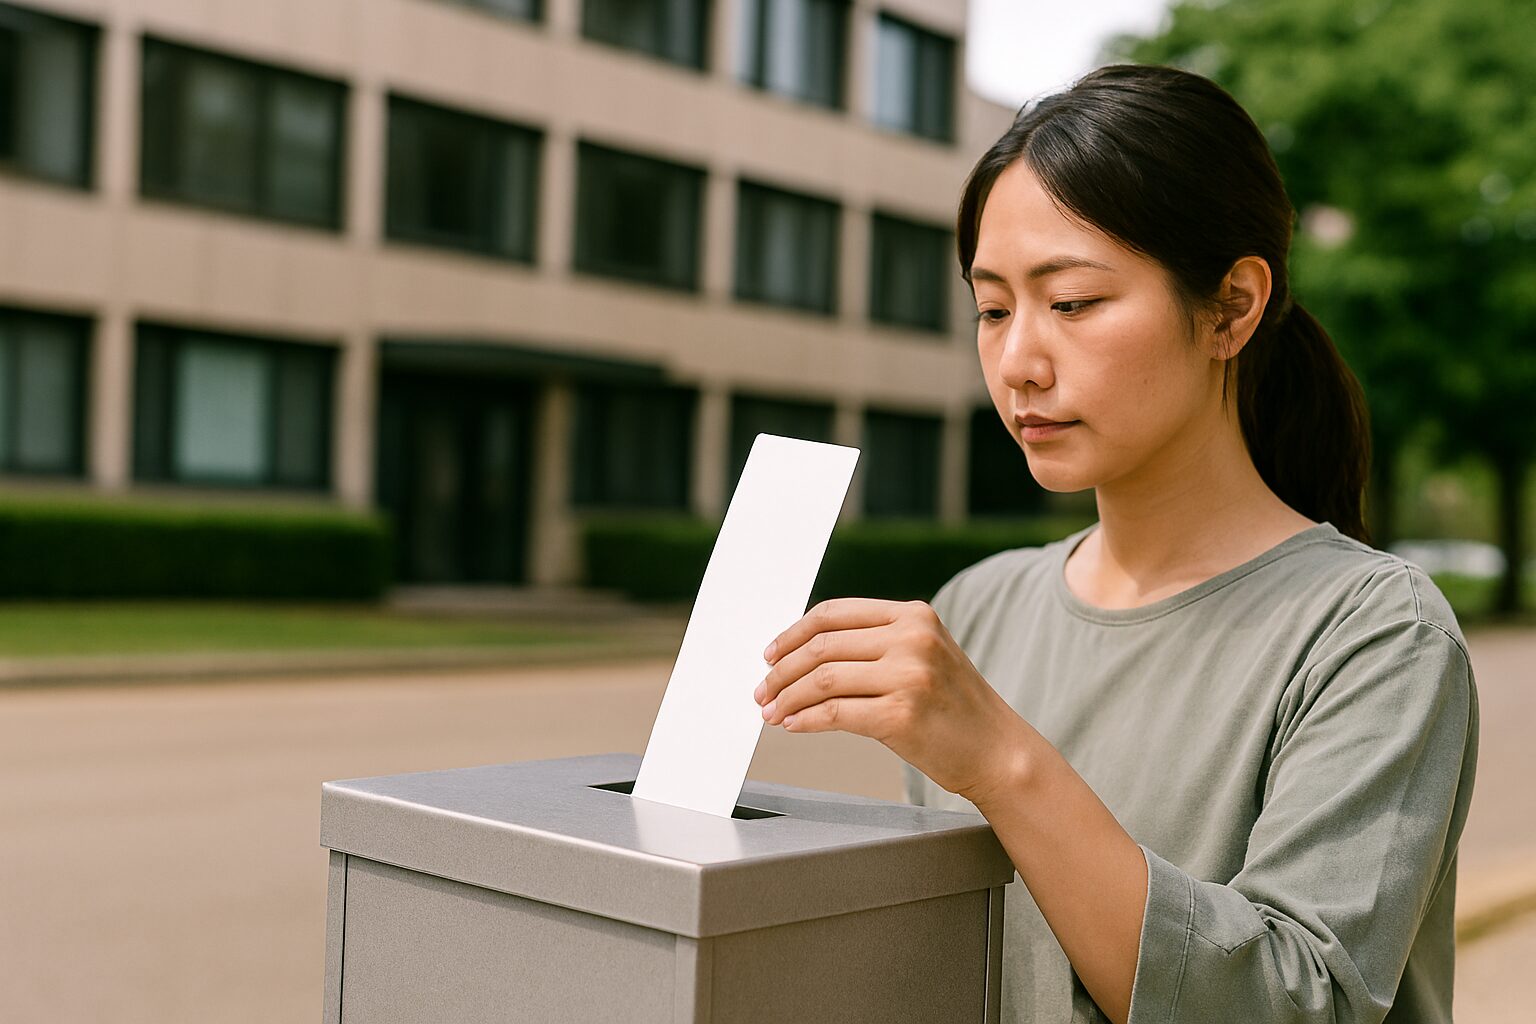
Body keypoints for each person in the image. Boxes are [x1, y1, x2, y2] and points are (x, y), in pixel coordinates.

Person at [751, 64, 1478, 1023]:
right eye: (994, 308)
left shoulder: (1375, 634)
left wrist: (1005, 763)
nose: (1018, 362)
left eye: (1075, 303)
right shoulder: (977, 608)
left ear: (1232, 308)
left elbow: (1304, 1004)